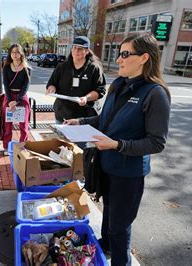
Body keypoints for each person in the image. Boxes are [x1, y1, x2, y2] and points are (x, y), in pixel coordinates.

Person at [64, 34, 171, 265]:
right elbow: (105, 120)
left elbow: (157, 142)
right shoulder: (118, 85)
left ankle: (120, 260)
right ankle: (107, 245)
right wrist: (80, 123)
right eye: (119, 54)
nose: (119, 60)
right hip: (107, 165)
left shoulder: (155, 93)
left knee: (120, 226)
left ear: (144, 57)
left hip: (128, 174)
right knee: (109, 215)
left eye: (125, 54)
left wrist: (117, 145)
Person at [46, 36, 106, 124]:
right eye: (74, 48)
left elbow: (100, 90)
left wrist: (86, 98)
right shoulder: (62, 67)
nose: (76, 51)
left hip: (84, 117)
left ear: (87, 51)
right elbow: (52, 83)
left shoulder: (94, 69)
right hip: (62, 113)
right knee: (61, 138)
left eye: (80, 49)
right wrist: (52, 88)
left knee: (81, 138)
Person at [1, 43, 31, 155]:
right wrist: (10, 101)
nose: (15, 54)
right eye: (13, 52)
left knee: (23, 126)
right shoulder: (6, 67)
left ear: (21, 53)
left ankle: (22, 146)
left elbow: (25, 86)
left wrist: (17, 100)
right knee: (8, 125)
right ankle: (6, 146)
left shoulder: (27, 68)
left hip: (21, 98)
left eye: (17, 52)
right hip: (9, 97)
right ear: (10, 53)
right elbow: (6, 85)